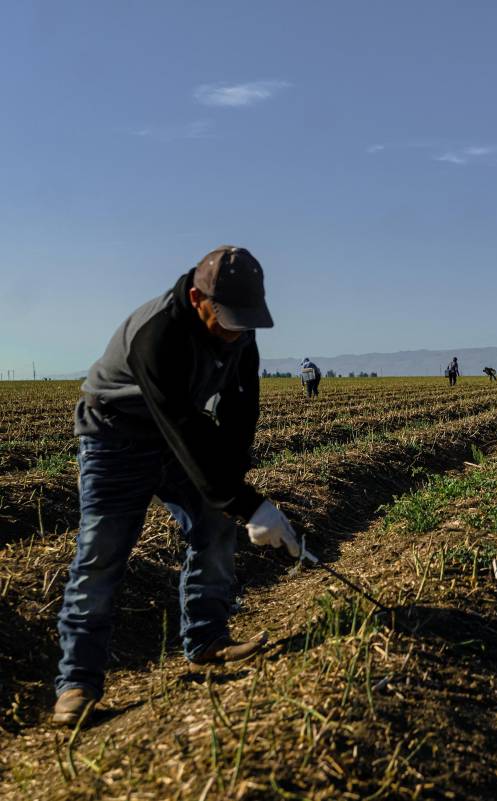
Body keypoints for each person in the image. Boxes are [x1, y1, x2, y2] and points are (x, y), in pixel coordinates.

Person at [54, 246, 302, 727]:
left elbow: (238, 412)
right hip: (115, 435)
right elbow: (183, 427)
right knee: (102, 551)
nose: (236, 332)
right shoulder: (158, 332)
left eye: (245, 321)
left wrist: (237, 490)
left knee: (214, 525)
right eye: (227, 319)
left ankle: (207, 641)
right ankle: (77, 682)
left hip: (174, 431)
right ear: (196, 297)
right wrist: (247, 502)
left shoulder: (240, 332)